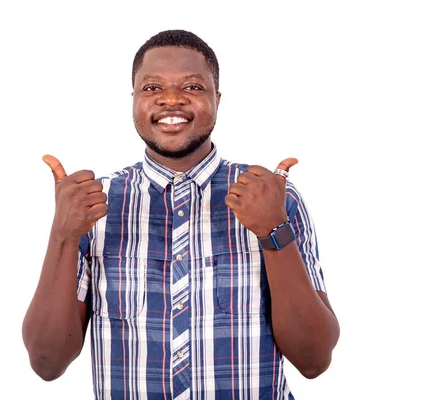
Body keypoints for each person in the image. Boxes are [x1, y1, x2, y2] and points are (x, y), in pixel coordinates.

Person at [22, 29, 340, 399]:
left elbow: (314, 360)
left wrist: (273, 231)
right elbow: (46, 363)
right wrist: (63, 235)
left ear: (217, 99)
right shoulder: (94, 206)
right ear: (133, 100)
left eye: (192, 87)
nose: (171, 99)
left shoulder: (271, 197)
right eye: (152, 88)